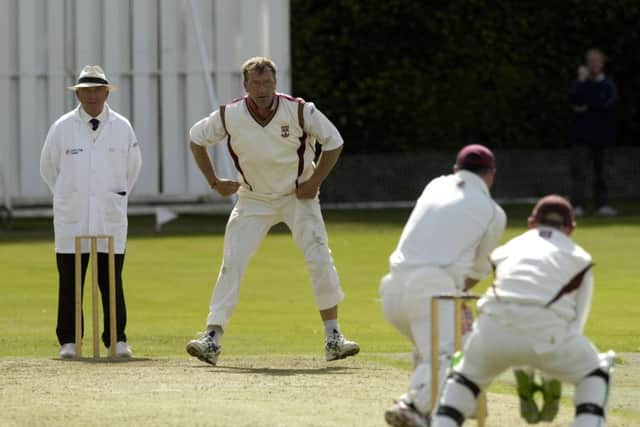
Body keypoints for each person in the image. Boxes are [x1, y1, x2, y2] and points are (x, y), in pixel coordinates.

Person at [185, 56, 359, 365]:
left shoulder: (301, 110)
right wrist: (214, 181)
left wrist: (315, 181)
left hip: (298, 196)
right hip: (253, 199)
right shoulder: (230, 114)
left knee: (319, 257)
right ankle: (212, 337)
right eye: (256, 83)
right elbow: (196, 139)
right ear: (245, 85)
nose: (262, 89)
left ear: (275, 83)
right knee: (232, 262)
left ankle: (333, 336)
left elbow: (335, 141)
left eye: (267, 83)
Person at [431, 195, 614, 427]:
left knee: (464, 378)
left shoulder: (506, 250)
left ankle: (444, 420)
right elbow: (576, 326)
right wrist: (551, 366)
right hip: (547, 336)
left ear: (531, 223)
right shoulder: (580, 259)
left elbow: (504, 296)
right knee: (596, 372)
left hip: (492, 332)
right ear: (571, 229)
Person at [380, 145, 506, 427]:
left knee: (431, 349)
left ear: (455, 170)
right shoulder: (493, 213)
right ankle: (413, 405)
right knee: (452, 351)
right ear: (491, 175)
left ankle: (444, 401)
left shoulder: (435, 185)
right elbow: (477, 271)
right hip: (433, 290)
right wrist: (459, 297)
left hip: (392, 289)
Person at [40, 65, 142, 359]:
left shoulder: (122, 126)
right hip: (72, 217)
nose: (92, 95)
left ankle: (116, 339)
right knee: (70, 280)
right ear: (79, 94)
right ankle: (69, 341)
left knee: (111, 280)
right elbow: (48, 168)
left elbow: (133, 167)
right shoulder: (62, 127)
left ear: (107, 92)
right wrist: (68, 195)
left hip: (109, 216)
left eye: (98, 90)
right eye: (87, 91)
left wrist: (114, 195)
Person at [570, 48, 619, 217]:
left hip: (602, 136)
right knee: (579, 173)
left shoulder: (608, 85)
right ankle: (578, 206)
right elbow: (575, 101)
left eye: (596, 61)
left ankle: (602, 205)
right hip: (581, 136)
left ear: (602, 64)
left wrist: (588, 104)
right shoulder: (580, 83)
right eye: (590, 61)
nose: (593, 65)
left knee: (602, 173)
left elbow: (605, 105)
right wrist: (582, 83)